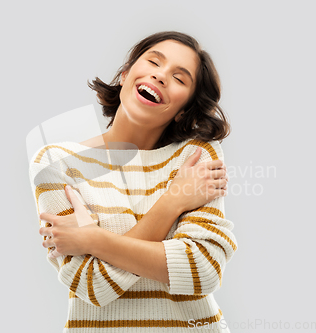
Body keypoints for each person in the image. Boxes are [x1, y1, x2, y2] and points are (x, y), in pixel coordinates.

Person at [28, 31, 238, 332]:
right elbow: (92, 285)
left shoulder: (194, 156)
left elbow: (202, 270)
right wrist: (173, 201)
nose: (161, 76)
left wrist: (92, 239)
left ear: (182, 111)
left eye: (180, 79)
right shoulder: (55, 162)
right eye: (154, 61)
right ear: (125, 75)